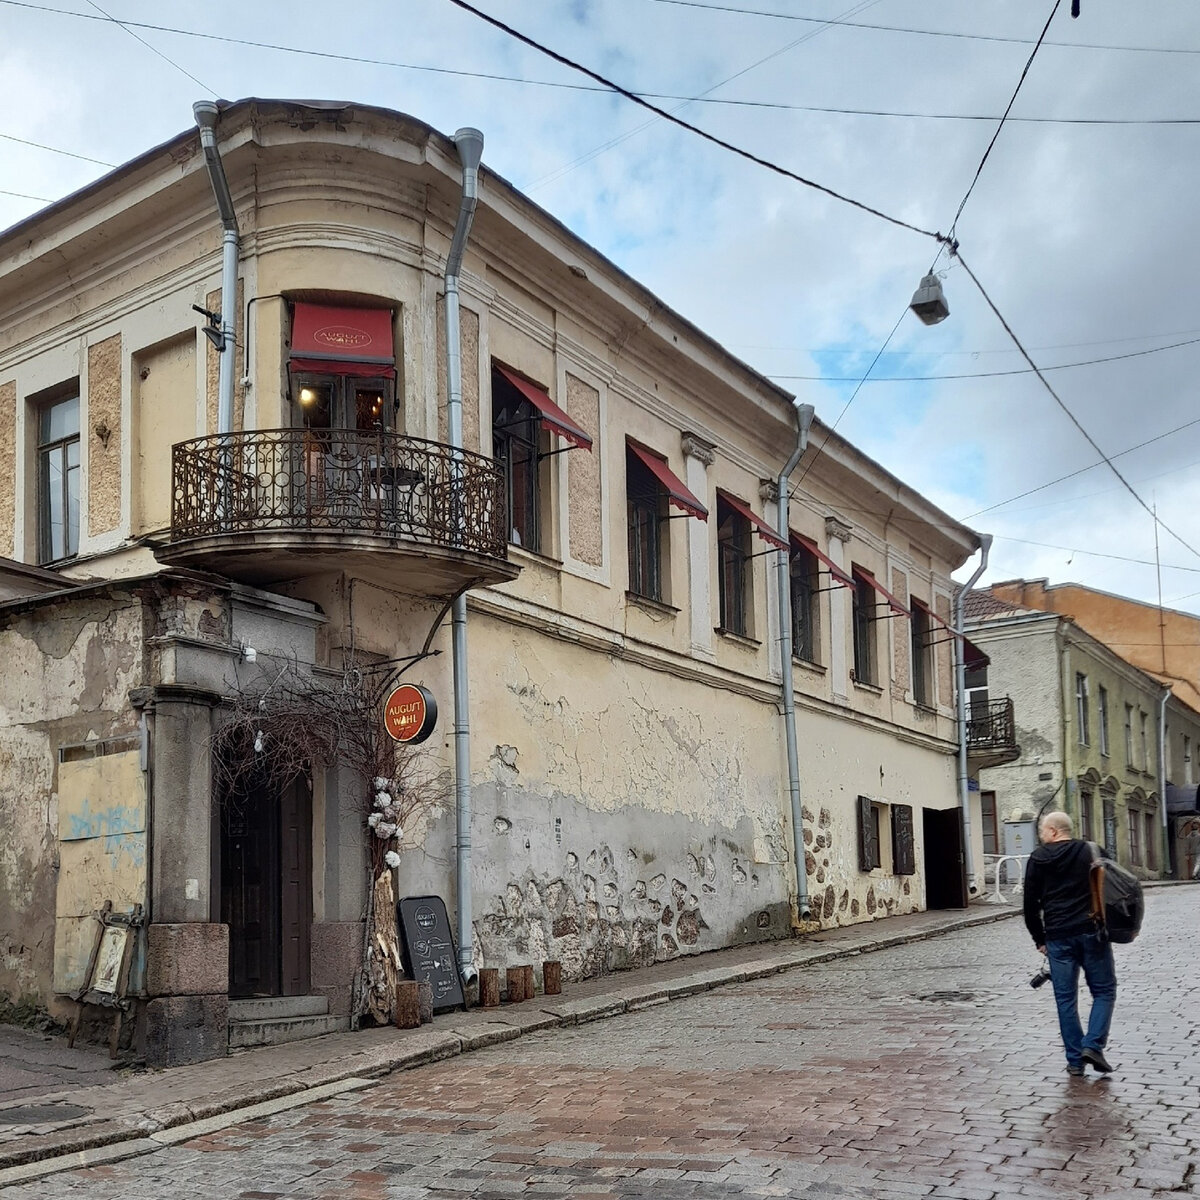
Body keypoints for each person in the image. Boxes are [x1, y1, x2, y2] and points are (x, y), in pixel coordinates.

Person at [1023, 810, 1116, 1077]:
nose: (1041, 834)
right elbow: (1112, 885)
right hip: (1091, 932)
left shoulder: (1038, 859)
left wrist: (1039, 939)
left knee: (1065, 1000)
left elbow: (1030, 905)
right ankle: (1093, 1044)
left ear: (1053, 831)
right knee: (1104, 991)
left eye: (1042, 829)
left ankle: (1075, 1061)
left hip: (1057, 937)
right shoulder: (1091, 850)